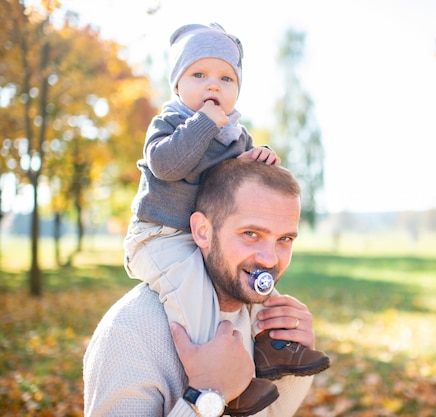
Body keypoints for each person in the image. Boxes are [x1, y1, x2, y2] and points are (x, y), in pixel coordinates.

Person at [122, 23, 329, 414]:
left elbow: (237, 181)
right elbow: (167, 165)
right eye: (198, 75)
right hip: (159, 235)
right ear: (177, 86)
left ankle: (272, 354)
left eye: (225, 78)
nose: (212, 86)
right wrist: (205, 123)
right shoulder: (170, 122)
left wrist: (257, 156)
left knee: (259, 289)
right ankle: (230, 388)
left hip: (199, 234)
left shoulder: (233, 134)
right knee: (194, 293)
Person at [84, 159, 323, 416]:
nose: (270, 259)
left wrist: (291, 367)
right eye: (251, 234)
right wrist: (206, 396)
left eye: (284, 239)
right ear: (202, 231)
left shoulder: (260, 321)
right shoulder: (129, 332)